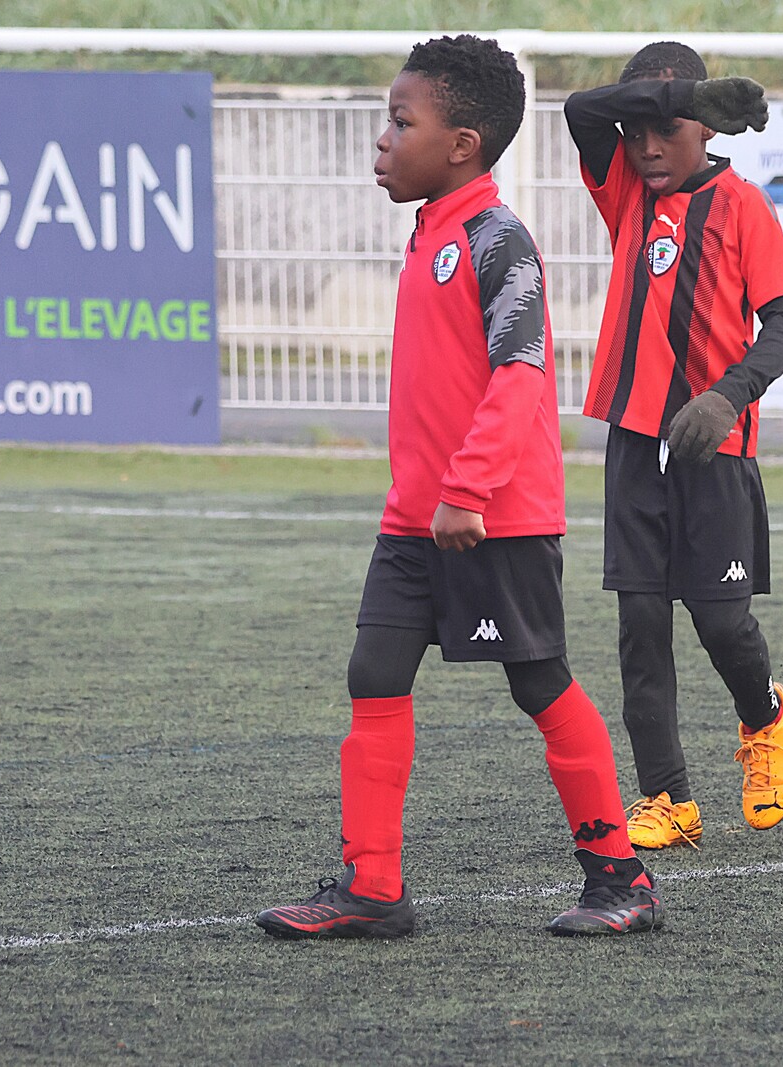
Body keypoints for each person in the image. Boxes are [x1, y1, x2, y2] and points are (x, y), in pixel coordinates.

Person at [255, 35, 661, 939]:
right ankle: (373, 886)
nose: (383, 140)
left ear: (462, 145)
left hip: (491, 515)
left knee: (540, 684)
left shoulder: (496, 238)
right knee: (374, 673)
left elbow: (520, 375)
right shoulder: (430, 234)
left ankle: (622, 879)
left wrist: (468, 490)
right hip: (416, 516)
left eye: (402, 123)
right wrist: (431, 495)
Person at [563, 42, 783, 850]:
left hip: (715, 448)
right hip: (635, 441)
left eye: (666, 129)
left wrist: (727, 394)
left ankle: (764, 714)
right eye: (636, 130)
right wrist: (672, 98)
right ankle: (668, 796)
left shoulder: (741, 205)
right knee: (641, 623)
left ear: (706, 127)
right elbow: (580, 111)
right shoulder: (626, 193)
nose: (645, 146)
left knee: (720, 622)